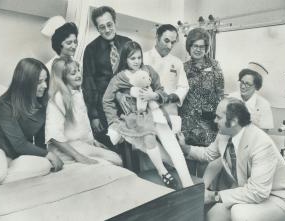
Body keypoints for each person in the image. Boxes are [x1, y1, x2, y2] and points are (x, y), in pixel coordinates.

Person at [178, 97, 285, 221]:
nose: (215, 121)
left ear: (233, 121)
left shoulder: (261, 143)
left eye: (219, 117)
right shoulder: (224, 135)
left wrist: (213, 196)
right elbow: (208, 154)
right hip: (254, 193)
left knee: (239, 213)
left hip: (282, 200)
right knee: (214, 215)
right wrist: (185, 148)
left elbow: (258, 192)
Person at [103, 41, 193, 189]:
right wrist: (112, 121)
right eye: (132, 58)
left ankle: (188, 184)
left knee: (174, 149)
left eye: (139, 57)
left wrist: (154, 95)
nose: (137, 61)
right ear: (125, 59)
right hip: (139, 121)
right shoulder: (119, 78)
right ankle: (163, 172)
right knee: (154, 146)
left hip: (157, 114)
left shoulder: (149, 70)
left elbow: (161, 91)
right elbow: (107, 100)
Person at [0, 58, 63, 184]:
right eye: (39, 82)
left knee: (44, 166)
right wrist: (49, 155)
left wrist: (44, 156)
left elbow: (40, 140)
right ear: (25, 83)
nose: (45, 85)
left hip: (18, 154)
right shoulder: (5, 106)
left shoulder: (42, 102)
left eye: (46, 80)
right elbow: (19, 143)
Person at [45, 57, 122, 166]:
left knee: (116, 158)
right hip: (68, 148)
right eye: (73, 73)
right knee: (115, 160)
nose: (78, 75)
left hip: (81, 144)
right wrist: (79, 156)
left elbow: (79, 127)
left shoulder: (78, 93)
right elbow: (53, 136)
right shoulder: (58, 97)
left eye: (78, 70)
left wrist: (93, 142)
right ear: (63, 78)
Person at [82, 6, 131, 148]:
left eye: (109, 25)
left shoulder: (128, 43)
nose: (107, 30)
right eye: (102, 27)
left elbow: (136, 74)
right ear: (97, 29)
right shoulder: (91, 49)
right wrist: (93, 116)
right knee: (110, 148)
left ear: (115, 22)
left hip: (127, 105)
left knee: (130, 148)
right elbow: (88, 83)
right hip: (102, 107)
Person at [179, 28, 224, 147]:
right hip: (187, 122)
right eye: (195, 46)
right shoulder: (183, 67)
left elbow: (220, 93)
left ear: (206, 48)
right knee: (187, 155)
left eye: (201, 46)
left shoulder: (215, 66)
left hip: (209, 122)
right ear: (189, 46)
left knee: (207, 157)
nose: (198, 49)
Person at [229, 62, 273, 130]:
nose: (243, 86)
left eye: (248, 84)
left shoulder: (264, 104)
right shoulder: (231, 98)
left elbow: (265, 132)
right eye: (242, 82)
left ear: (256, 86)